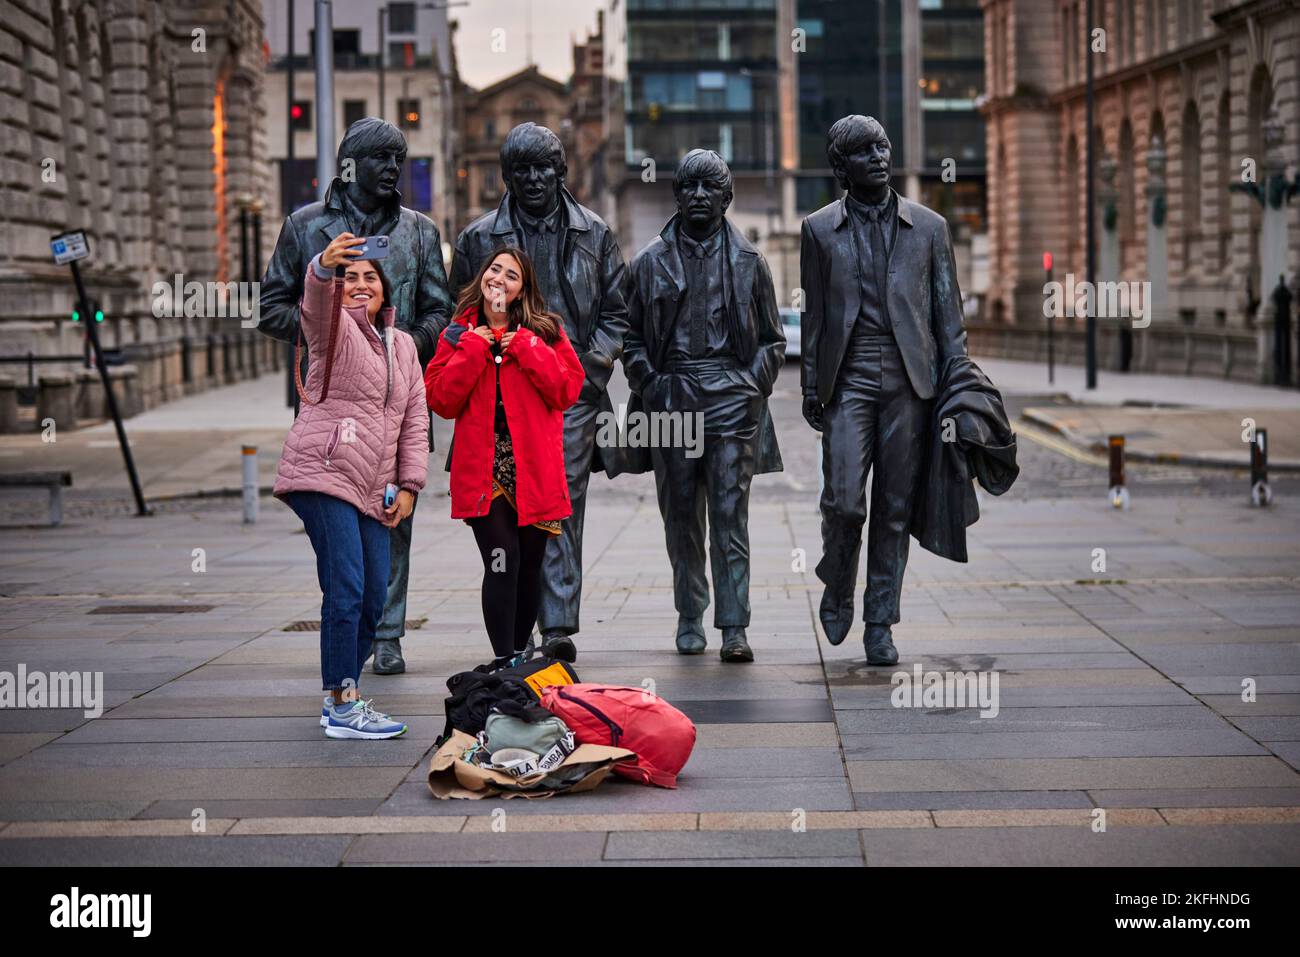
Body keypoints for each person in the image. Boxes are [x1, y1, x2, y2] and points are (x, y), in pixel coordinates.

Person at [259, 117, 454, 676]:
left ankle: (387, 632)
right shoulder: (306, 226)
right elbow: (271, 307)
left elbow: (440, 310)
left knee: (396, 514)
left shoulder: (419, 230)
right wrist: (336, 336)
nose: (395, 168)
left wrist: (402, 345)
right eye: (383, 159)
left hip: (398, 395)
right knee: (340, 532)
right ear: (351, 163)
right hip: (335, 405)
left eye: (400, 158)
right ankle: (345, 627)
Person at [449, 122, 629, 663]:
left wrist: (589, 372)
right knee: (510, 521)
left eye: (543, 167)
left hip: (564, 394)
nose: (533, 178)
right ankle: (516, 631)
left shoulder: (594, 233)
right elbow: (458, 317)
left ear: (562, 170)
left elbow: (617, 314)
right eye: (521, 169)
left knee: (559, 510)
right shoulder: (479, 239)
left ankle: (556, 626)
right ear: (505, 176)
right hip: (499, 400)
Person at [799, 114, 969, 665]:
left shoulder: (930, 228)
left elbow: (950, 320)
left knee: (894, 510)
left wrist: (958, 385)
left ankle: (880, 622)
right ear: (841, 166)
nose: (878, 157)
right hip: (847, 380)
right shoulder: (819, 230)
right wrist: (809, 384)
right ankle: (837, 579)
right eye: (864, 151)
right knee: (844, 502)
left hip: (910, 384)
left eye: (883, 146)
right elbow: (816, 316)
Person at [621, 149, 786, 663]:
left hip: (732, 400)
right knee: (681, 517)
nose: (697, 196)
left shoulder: (750, 262)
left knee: (731, 516)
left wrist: (747, 386)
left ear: (726, 197)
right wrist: (653, 385)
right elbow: (628, 338)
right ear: (676, 194)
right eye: (688, 186)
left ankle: (734, 625)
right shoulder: (648, 263)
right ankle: (690, 613)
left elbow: (772, 341)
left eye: (708, 188)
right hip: (673, 397)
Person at [272, 232, 429, 738]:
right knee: (346, 586)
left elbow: (415, 421)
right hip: (325, 472)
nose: (360, 285)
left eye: (370, 278)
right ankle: (342, 701)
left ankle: (345, 693)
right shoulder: (332, 327)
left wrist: (409, 485)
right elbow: (316, 303)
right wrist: (322, 266)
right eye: (351, 278)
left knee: (373, 596)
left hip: (374, 485)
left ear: (386, 291)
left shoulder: (403, 346)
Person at [426, 248, 585, 668]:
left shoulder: (545, 332)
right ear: (482, 276)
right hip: (484, 467)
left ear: (522, 289)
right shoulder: (457, 335)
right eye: (494, 269)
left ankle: (518, 657)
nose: (500, 278)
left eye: (511, 275)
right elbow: (440, 398)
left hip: (534, 467)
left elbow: (566, 390)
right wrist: (475, 349)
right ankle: (504, 659)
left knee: (530, 566)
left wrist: (528, 345)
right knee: (502, 560)